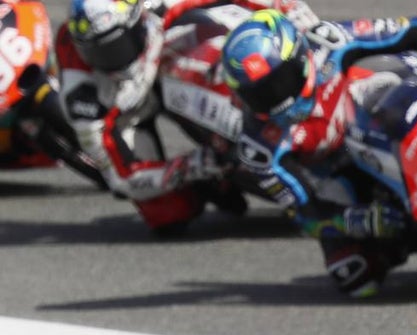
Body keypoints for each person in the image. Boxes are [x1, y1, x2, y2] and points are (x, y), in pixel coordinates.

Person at [219, 9, 417, 296]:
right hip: (348, 180)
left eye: (279, 82)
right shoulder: (258, 147)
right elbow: (304, 213)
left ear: (300, 58)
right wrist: (357, 219)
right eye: (260, 94)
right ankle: (415, 238)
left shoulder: (329, 42)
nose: (276, 100)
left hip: (386, 119)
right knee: (353, 274)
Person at [55, 0, 297, 234]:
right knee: (166, 214)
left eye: (116, 48)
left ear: (136, 21)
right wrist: (190, 167)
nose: (110, 59)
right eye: (97, 52)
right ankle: (207, 185)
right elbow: (119, 178)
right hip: (125, 108)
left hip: (169, 48)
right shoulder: (79, 90)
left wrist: (289, 11)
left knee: (250, 45)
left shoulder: (146, 7)